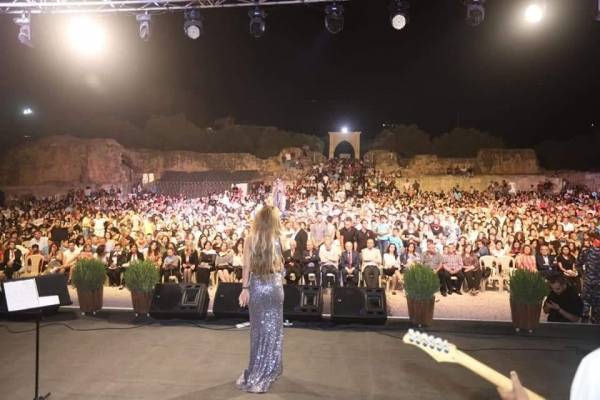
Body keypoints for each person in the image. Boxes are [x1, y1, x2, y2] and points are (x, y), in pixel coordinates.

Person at [237, 205, 284, 393]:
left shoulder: (250, 239)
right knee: (273, 331)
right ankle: (269, 369)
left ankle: (256, 371)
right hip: (275, 287)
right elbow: (281, 265)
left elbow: (246, 266)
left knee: (258, 331)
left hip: (257, 286)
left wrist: (244, 288)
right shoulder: (278, 238)